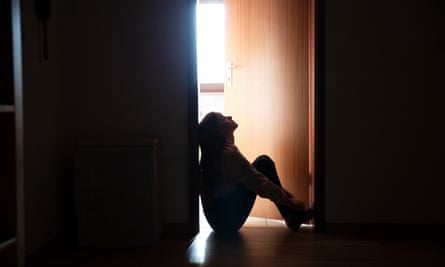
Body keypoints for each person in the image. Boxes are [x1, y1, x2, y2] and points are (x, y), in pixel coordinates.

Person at [198, 111, 314, 234]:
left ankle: (292, 217)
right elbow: (260, 184)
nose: (230, 117)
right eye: (224, 118)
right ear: (218, 131)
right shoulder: (228, 155)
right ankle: (292, 217)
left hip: (217, 220)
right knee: (263, 165)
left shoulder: (219, 153)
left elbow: (256, 177)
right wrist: (291, 203)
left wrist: (290, 199)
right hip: (227, 222)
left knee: (262, 164)